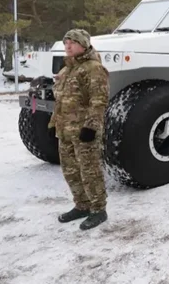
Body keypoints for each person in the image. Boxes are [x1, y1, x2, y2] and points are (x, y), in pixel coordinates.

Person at [47, 28, 110, 230]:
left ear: (83, 44)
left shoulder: (94, 68)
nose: (68, 46)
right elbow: (61, 100)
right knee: (71, 171)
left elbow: (99, 100)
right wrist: (54, 123)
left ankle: (98, 209)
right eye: (66, 43)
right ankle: (82, 205)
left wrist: (91, 127)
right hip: (65, 130)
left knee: (89, 171)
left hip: (84, 131)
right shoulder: (67, 69)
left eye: (72, 42)